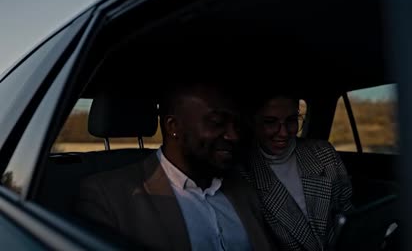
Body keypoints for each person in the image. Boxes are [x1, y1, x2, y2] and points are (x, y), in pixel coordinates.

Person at [76, 83, 274, 250]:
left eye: (236, 126)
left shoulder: (243, 188)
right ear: (173, 127)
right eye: (217, 123)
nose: (233, 136)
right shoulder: (108, 196)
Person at [240, 92, 353, 251]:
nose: (284, 132)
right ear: (253, 122)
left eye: (291, 121)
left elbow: (347, 211)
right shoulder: (243, 173)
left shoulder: (324, 154)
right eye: (270, 122)